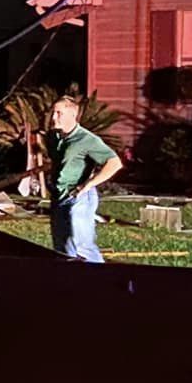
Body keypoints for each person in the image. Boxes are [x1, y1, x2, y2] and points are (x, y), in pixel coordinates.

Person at [38, 96, 122, 263]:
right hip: (59, 196)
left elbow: (114, 163)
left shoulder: (87, 140)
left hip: (79, 197)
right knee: (63, 249)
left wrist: (87, 185)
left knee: (82, 246)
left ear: (72, 115)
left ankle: (101, 281)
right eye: (53, 113)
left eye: (59, 113)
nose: (54, 117)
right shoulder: (53, 138)